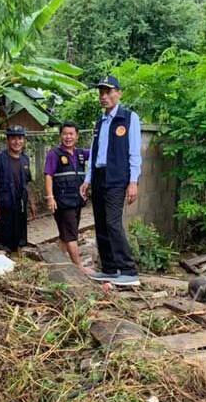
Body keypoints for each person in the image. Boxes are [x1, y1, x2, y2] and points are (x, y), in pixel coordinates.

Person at [79, 75, 142, 286]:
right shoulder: (100, 122)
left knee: (113, 223)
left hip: (117, 178)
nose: (104, 97)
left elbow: (134, 152)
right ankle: (109, 268)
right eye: (101, 93)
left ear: (119, 93)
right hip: (98, 176)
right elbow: (95, 153)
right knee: (101, 224)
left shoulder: (128, 118)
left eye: (108, 92)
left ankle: (128, 270)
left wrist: (133, 181)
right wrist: (88, 179)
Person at [44, 121, 95, 275]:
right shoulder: (54, 154)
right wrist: (50, 197)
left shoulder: (80, 154)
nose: (68, 137)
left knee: (66, 235)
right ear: (60, 135)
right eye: (65, 134)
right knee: (71, 234)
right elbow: (48, 176)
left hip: (77, 201)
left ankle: (53, 264)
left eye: (71, 134)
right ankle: (79, 267)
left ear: (77, 136)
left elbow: (97, 152)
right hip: (62, 202)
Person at [0, 125, 38, 255]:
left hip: (20, 203)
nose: (17, 142)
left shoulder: (25, 159)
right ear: (8, 140)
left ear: (24, 140)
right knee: (4, 235)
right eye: (13, 139)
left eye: (20, 138)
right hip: (4, 203)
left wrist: (31, 203)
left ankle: (17, 257)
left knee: (20, 233)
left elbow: (27, 183)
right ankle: (3, 258)